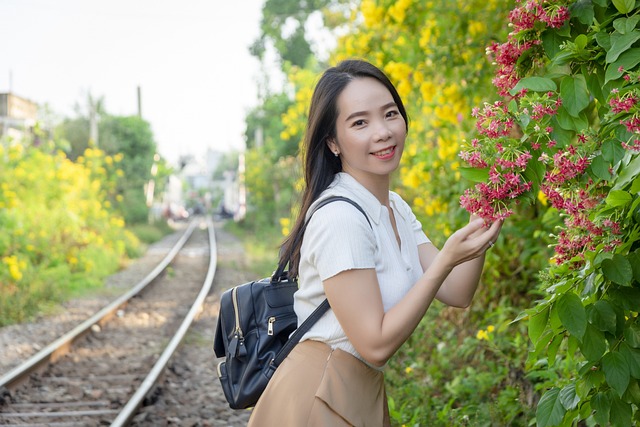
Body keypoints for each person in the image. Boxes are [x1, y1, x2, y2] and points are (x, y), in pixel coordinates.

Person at [247, 59, 503, 426]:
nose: (383, 132)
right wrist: (446, 259)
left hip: (357, 390)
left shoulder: (393, 207)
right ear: (333, 142)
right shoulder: (341, 219)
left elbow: (457, 291)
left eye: (390, 114)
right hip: (317, 393)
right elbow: (375, 344)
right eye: (360, 122)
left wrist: (482, 218)